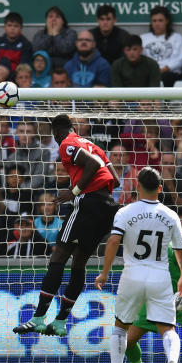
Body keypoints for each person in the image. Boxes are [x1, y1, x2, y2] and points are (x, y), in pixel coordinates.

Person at [13, 114, 119, 337]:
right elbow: (114, 179)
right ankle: (60, 321)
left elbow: (92, 164)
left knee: (59, 256)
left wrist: (74, 191)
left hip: (88, 203)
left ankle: (39, 318)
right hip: (107, 207)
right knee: (79, 263)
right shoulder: (93, 145)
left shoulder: (67, 145)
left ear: (56, 132)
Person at [98, 167, 182, 363]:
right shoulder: (171, 215)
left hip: (132, 274)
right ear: (160, 188)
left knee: (120, 326)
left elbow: (113, 241)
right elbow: (181, 250)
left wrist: (105, 272)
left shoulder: (125, 212)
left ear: (137, 186)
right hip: (160, 275)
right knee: (168, 329)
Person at [141, 6, 182, 87]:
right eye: (154, 21)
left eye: (160, 20)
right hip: (148, 73)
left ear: (167, 21)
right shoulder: (143, 38)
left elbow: (179, 60)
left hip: (169, 75)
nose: (157, 24)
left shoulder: (177, 38)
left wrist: (162, 70)